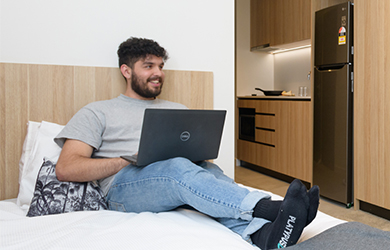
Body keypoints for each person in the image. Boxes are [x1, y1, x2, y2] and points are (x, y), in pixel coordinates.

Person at [54, 37, 319, 250]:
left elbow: (196, 169)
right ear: (126, 70)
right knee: (177, 169)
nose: (158, 73)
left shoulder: (175, 109)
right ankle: (270, 208)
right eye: (149, 66)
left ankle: (266, 236)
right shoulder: (98, 111)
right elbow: (66, 168)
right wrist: (129, 158)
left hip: (173, 180)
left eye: (160, 67)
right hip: (123, 190)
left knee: (209, 172)